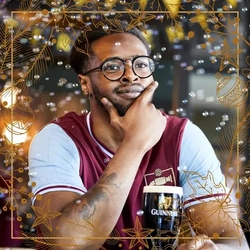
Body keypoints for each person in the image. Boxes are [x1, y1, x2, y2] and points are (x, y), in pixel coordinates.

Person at [28, 19, 249, 250]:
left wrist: (214, 248)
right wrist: (134, 144)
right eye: (112, 67)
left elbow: (233, 241)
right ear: (85, 84)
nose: (131, 76)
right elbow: (70, 243)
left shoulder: (184, 137)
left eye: (141, 64)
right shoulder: (58, 138)